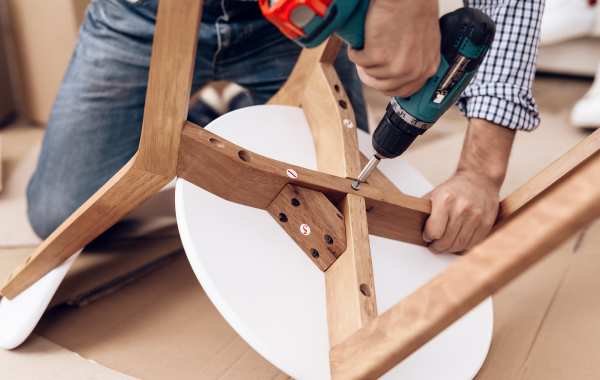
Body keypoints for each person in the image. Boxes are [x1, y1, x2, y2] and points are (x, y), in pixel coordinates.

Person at [26, 0, 543, 254]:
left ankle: (219, 125)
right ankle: (207, 128)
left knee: (337, 214)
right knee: (60, 213)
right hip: (143, 14)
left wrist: (481, 171)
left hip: (291, 29)